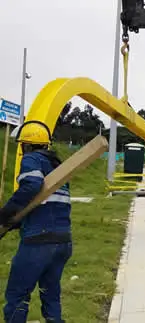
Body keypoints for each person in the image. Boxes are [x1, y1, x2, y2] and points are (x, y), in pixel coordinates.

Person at [0, 121, 72, 323]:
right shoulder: (58, 167)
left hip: (39, 241)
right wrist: (17, 221)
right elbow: (49, 204)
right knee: (50, 295)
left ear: (27, 145)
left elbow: (32, 186)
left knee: (17, 296)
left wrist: (6, 212)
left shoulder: (32, 159)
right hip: (63, 240)